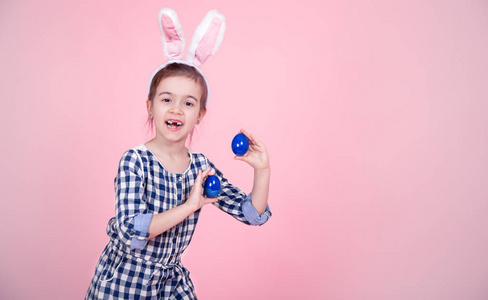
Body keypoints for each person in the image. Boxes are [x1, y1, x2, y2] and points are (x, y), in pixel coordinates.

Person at [85, 10, 271, 299]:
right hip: (124, 281)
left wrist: (262, 170)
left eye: (188, 103)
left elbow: (251, 213)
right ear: (150, 106)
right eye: (167, 99)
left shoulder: (200, 167)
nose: (175, 109)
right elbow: (130, 230)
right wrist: (190, 205)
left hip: (169, 283)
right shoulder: (135, 161)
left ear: (200, 115)